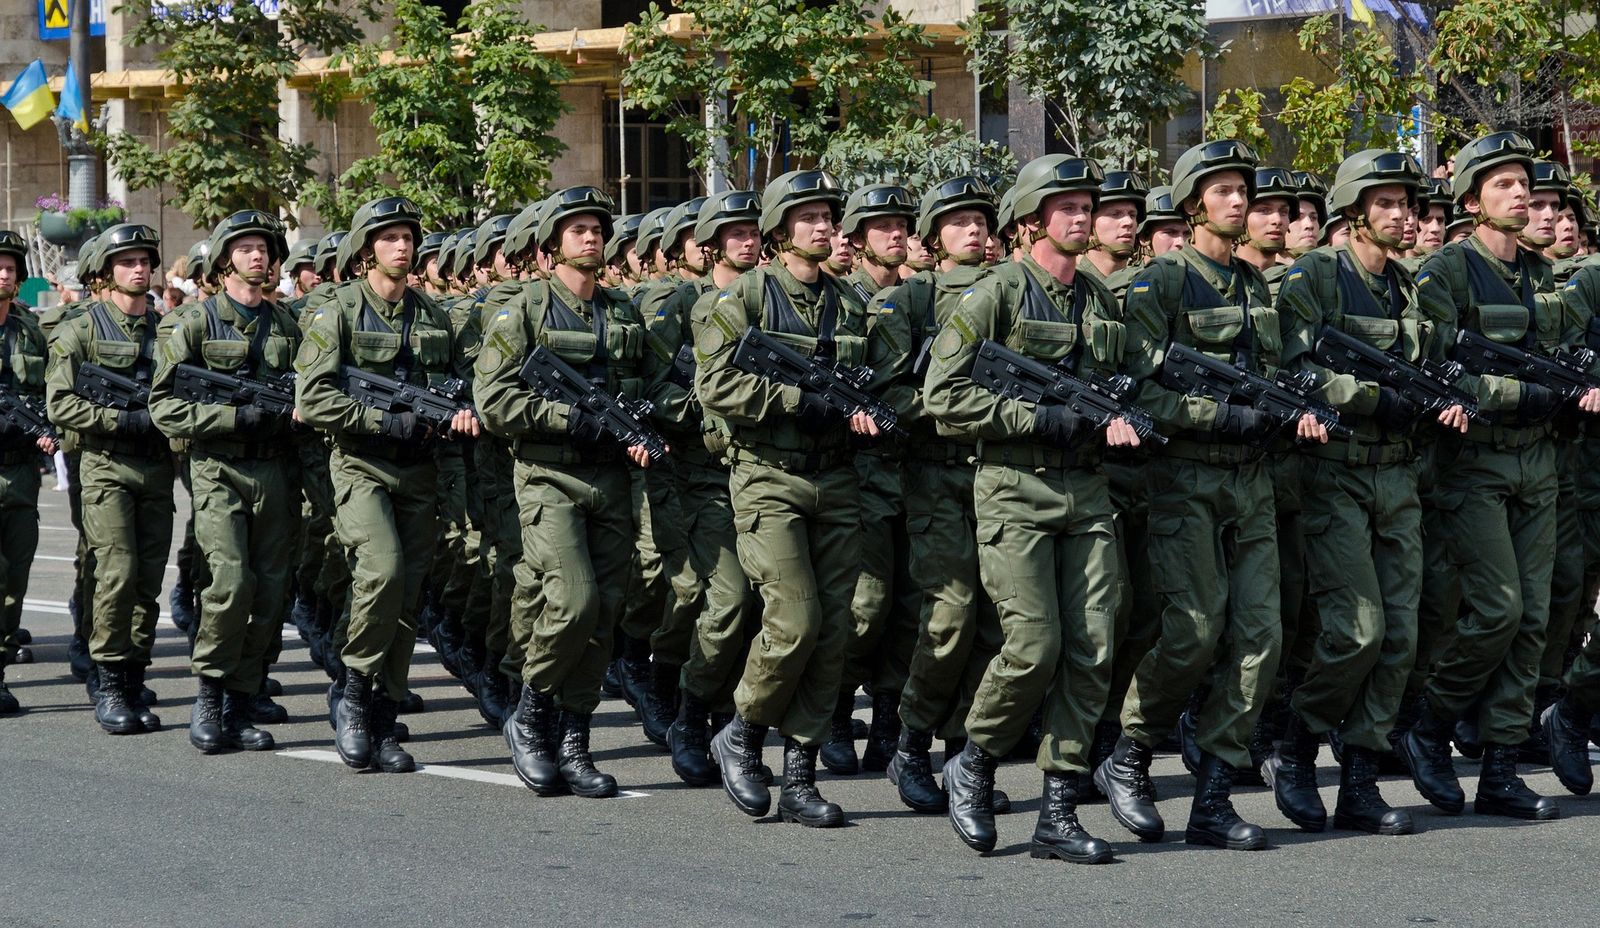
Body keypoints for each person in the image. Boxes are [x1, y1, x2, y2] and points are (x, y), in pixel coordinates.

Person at [1097, 139, 1328, 853]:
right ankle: (1130, 751)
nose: (1241, 202)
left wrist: (1297, 407)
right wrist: (1218, 415)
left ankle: (1215, 799)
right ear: (1196, 202)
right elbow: (1133, 384)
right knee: (1194, 630)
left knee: (1261, 639)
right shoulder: (1160, 282)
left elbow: (1278, 368)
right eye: (1225, 190)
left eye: (1245, 191)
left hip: (1251, 480)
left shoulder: (1258, 288)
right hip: (1185, 481)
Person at [922, 155, 1140, 862]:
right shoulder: (997, 294)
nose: (1082, 217)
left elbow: (1124, 380)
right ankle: (976, 760)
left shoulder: (1101, 300)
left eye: (1087, 206)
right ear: (1029, 221)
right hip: (1015, 488)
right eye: (1066, 206)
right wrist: (1037, 419)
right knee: (1033, 645)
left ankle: (1058, 810)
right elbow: (943, 398)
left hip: (1088, 490)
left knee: (1094, 647)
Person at [1401, 131, 1600, 821]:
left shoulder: (1541, 277)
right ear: (1474, 200)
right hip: (1475, 463)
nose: (1524, 195)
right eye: (1508, 184)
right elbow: (1434, 373)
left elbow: (1561, 353)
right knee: (1499, 609)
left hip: (1539, 461)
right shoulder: (1447, 272)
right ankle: (1430, 721)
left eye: (1528, 185)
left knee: (1533, 620)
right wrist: (1522, 394)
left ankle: (1501, 765)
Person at [1272, 149, 1470, 837]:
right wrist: (1369, 397)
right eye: (1385, 203)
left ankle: (1360, 775)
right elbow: (1292, 367)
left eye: (1408, 205)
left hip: (1401, 474)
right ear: (1354, 210)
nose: (1402, 215)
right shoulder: (1316, 277)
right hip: (1338, 474)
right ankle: (1299, 743)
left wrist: (1442, 400)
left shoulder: (1410, 289)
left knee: (1402, 639)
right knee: (1356, 630)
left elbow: (1434, 363)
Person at [693, 169, 881, 827]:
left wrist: (872, 413)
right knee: (794, 619)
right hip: (768, 476)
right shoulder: (741, 300)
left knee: (833, 632)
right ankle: (742, 733)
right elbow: (715, 386)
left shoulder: (851, 303)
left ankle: (800, 775)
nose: (824, 225)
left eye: (828, 215)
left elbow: (880, 380)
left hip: (838, 478)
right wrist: (800, 402)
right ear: (778, 231)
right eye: (808, 217)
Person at [473, 186, 665, 798]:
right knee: (574, 601)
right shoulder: (522, 310)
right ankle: (530, 715)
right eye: (577, 228)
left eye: (596, 227)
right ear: (551, 242)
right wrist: (567, 419)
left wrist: (639, 429)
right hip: (548, 476)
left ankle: (575, 740)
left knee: (605, 613)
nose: (590, 236)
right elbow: (495, 400)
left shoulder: (621, 311)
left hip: (611, 479)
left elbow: (646, 386)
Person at [295, 196, 480, 773]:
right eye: (390, 237)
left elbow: (453, 387)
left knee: (408, 594)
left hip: (419, 470)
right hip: (361, 465)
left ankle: (381, 714)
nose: (403, 246)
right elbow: (313, 397)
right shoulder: (339, 313)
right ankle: (351, 695)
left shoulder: (432, 315)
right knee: (382, 572)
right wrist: (383, 420)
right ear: (366, 249)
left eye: (408, 237)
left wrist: (461, 415)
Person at [148, 210, 304, 753]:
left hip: (275, 469)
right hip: (218, 468)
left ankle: (242, 700)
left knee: (271, 590)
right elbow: (165, 406)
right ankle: (209, 698)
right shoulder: (195, 323)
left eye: (264, 248)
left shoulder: (287, 324)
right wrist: (233, 418)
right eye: (245, 248)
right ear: (223, 261)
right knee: (231, 582)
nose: (257, 256)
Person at [44, 223, 172, 736]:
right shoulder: (81, 329)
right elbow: (61, 403)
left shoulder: (166, 329)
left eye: (144, 260)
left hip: (157, 467)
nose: (139, 268)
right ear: (105, 273)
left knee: (146, 581)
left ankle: (133, 671)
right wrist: (122, 420)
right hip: (104, 465)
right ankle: (109, 678)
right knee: (115, 573)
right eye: (127, 262)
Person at [0, 230, 57, 714]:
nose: (4, 273)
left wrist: (43, 427)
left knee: (14, 575)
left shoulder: (30, 330)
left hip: (20, 472)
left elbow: (47, 395)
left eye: (11, 267)